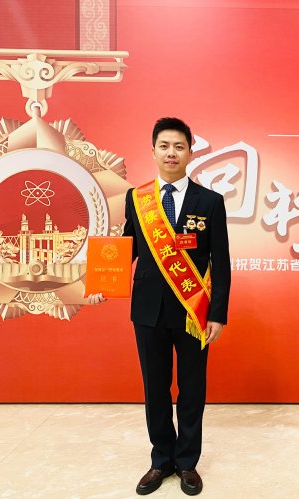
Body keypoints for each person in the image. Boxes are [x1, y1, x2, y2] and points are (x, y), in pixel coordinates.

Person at [89, 117, 231, 496]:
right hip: (148, 311)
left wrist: (217, 313)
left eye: (179, 146)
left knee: (192, 388)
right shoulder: (137, 199)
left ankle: (187, 462)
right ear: (153, 151)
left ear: (190, 152)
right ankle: (161, 460)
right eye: (164, 146)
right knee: (155, 388)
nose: (171, 153)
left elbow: (221, 261)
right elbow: (129, 247)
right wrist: (104, 281)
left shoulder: (210, 202)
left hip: (193, 311)